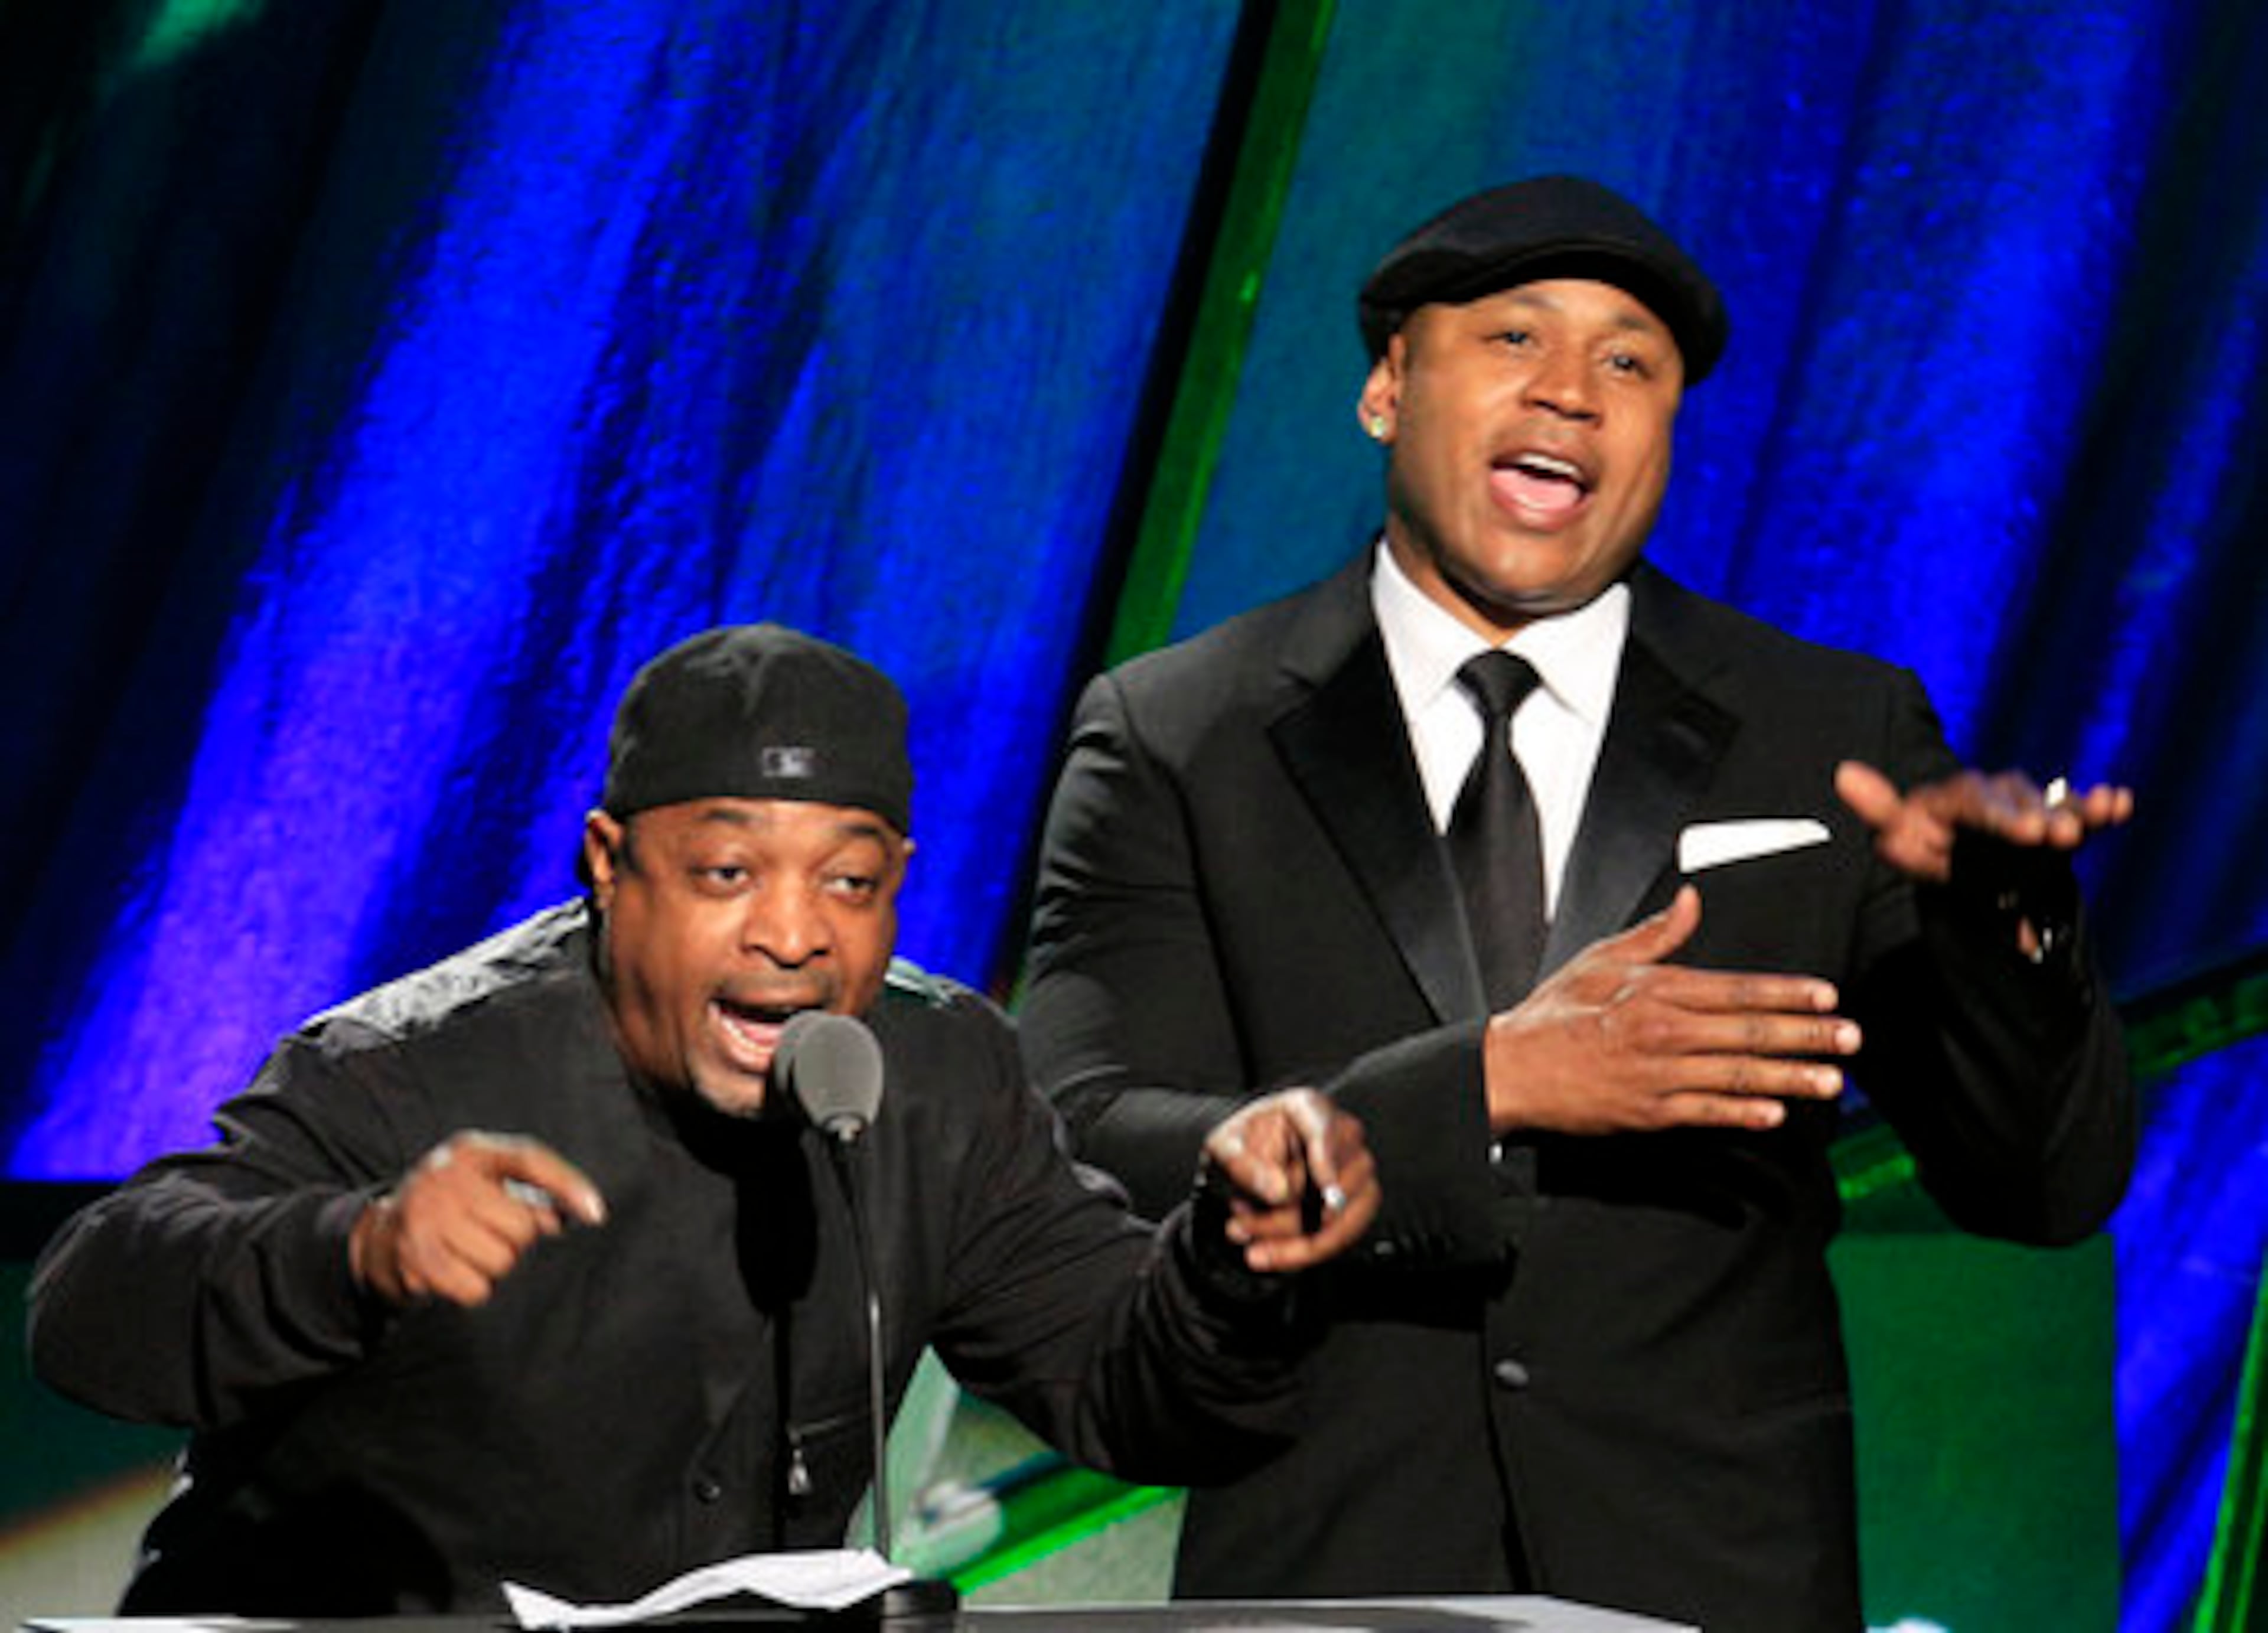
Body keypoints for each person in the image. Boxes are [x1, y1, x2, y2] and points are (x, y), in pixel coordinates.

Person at [1018, 175, 2136, 1633]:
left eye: (1629, 363)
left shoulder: (1830, 731)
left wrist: (2007, 933)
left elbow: (2044, 1187)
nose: (1571, 392)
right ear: (1387, 387)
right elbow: (1079, 1155)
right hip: (1339, 1575)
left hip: (1712, 1583)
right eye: (1515, 338)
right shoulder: (1180, 734)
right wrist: (1483, 1086)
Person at [27, 623, 1379, 1616]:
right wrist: (355, 1254)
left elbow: (1135, 1393)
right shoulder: (410, 1071)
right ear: (611, 867)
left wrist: (1229, 1263)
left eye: (849, 883)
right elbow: (90, 1310)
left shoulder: (939, 1077)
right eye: (729, 872)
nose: (794, 934)